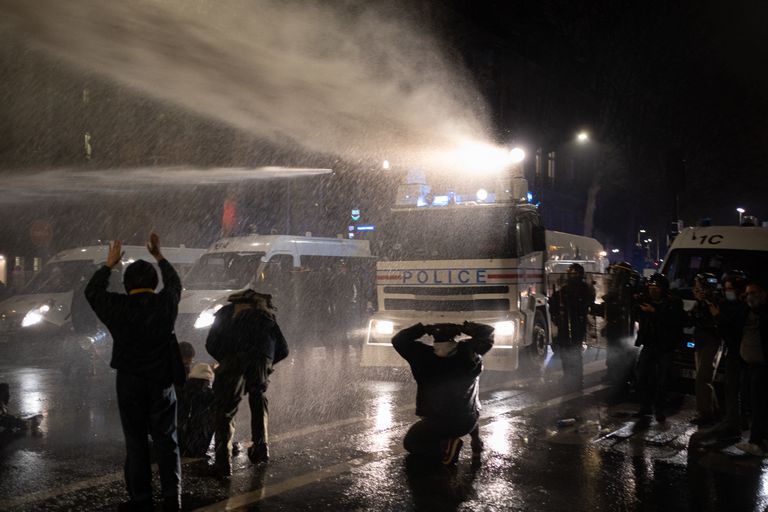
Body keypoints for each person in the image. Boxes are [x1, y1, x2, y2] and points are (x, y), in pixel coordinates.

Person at [85, 234, 184, 512]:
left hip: (129, 380)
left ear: (127, 285)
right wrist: (160, 257)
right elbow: (175, 284)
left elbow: (92, 292)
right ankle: (172, 497)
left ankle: (141, 500)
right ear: (154, 283)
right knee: (167, 439)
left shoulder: (118, 306)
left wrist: (109, 265)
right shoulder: (165, 304)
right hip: (161, 379)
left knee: (136, 442)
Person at [206, 289, 289, 477]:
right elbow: (283, 349)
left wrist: (225, 360)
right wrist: (266, 364)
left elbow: (211, 343)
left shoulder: (225, 313)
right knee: (258, 400)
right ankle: (261, 450)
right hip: (260, 361)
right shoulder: (266, 317)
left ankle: (223, 463)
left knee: (226, 409)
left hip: (232, 360)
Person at [392, 321, 494, 465]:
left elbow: (398, 340)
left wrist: (424, 328)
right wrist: (462, 327)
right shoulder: (470, 352)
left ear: (434, 336)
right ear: (454, 336)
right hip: (468, 422)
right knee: (466, 402)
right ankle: (470, 441)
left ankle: (446, 447)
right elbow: (487, 331)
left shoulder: (421, 355)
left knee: (411, 443)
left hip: (437, 422)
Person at [703, 271, 750, 441]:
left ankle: (733, 425)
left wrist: (718, 316)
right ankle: (735, 422)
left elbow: (732, 333)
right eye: (725, 289)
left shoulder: (744, 307)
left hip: (739, 354)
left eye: (729, 289)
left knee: (734, 390)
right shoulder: (729, 305)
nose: (726, 292)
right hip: (733, 353)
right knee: (731, 389)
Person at [634, 273, 685, 422]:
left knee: (663, 380)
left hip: (665, 346)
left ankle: (659, 409)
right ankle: (645, 406)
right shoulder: (645, 300)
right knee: (641, 375)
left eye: (656, 287)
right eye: (651, 287)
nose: (653, 290)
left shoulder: (673, 302)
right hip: (649, 344)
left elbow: (674, 321)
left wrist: (655, 312)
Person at [549, 263, 596, 391]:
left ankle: (577, 379)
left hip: (577, 325)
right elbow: (555, 303)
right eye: (570, 274)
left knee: (575, 352)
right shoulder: (564, 290)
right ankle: (567, 377)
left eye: (574, 274)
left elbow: (587, 303)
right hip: (565, 325)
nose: (571, 277)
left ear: (579, 275)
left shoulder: (584, 289)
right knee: (565, 352)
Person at [734, 282, 768, 456]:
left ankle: (756, 442)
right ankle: (761, 438)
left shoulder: (763, 312)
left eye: (753, 293)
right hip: (748, 365)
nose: (750, 297)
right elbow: (736, 323)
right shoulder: (746, 310)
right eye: (747, 294)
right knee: (752, 402)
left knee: (758, 404)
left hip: (761, 367)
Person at [599, 262, 640, 391]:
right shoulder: (617, 287)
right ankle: (612, 374)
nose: (614, 274)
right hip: (614, 327)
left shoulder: (626, 289)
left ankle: (622, 378)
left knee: (622, 353)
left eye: (616, 272)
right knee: (612, 351)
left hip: (622, 329)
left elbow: (619, 309)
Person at [688, 273, 722, 425]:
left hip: (712, 342)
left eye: (699, 288)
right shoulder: (699, 304)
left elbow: (717, 322)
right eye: (695, 288)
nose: (696, 290)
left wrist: (707, 302)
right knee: (704, 378)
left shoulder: (715, 302)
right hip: (700, 342)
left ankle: (705, 414)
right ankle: (713, 410)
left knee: (703, 378)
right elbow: (691, 320)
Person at [178, 362, 216, 458]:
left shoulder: (183, 388)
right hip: (198, 440)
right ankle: (196, 451)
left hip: (180, 436)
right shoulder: (207, 393)